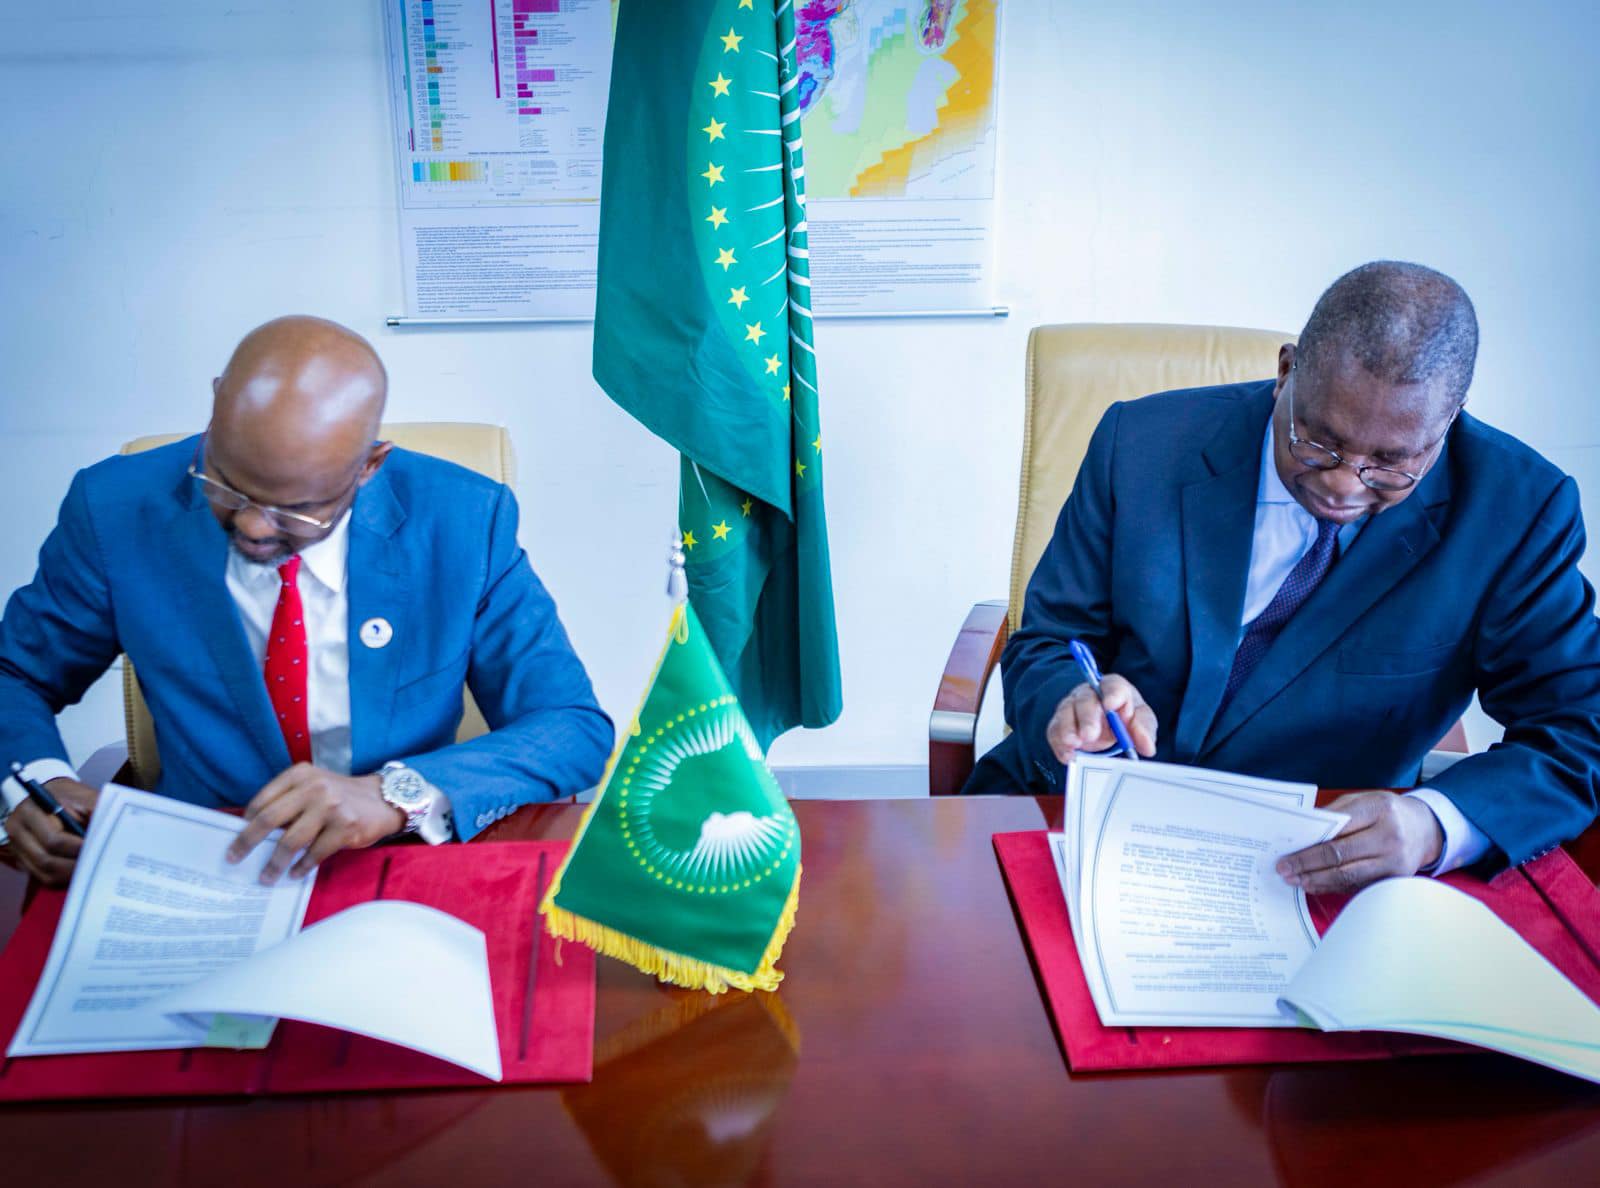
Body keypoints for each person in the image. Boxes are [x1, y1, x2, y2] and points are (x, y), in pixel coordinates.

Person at [965, 262, 1600, 892]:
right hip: (1074, 812)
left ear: (1449, 419)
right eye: (1318, 442)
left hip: (1306, 860)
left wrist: (1433, 825)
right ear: (1286, 370)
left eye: (1391, 464)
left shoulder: (1515, 513)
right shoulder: (1141, 443)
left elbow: (1579, 729)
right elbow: (1047, 641)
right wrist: (1071, 703)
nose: (1343, 484)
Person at [0, 316, 612, 886]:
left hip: (397, 865)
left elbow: (571, 727)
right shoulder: (113, 507)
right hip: (200, 862)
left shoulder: (463, 520)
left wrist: (395, 794)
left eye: (298, 508)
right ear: (215, 404)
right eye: (228, 486)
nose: (257, 528)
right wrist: (37, 785)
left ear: (370, 466)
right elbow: (16, 673)